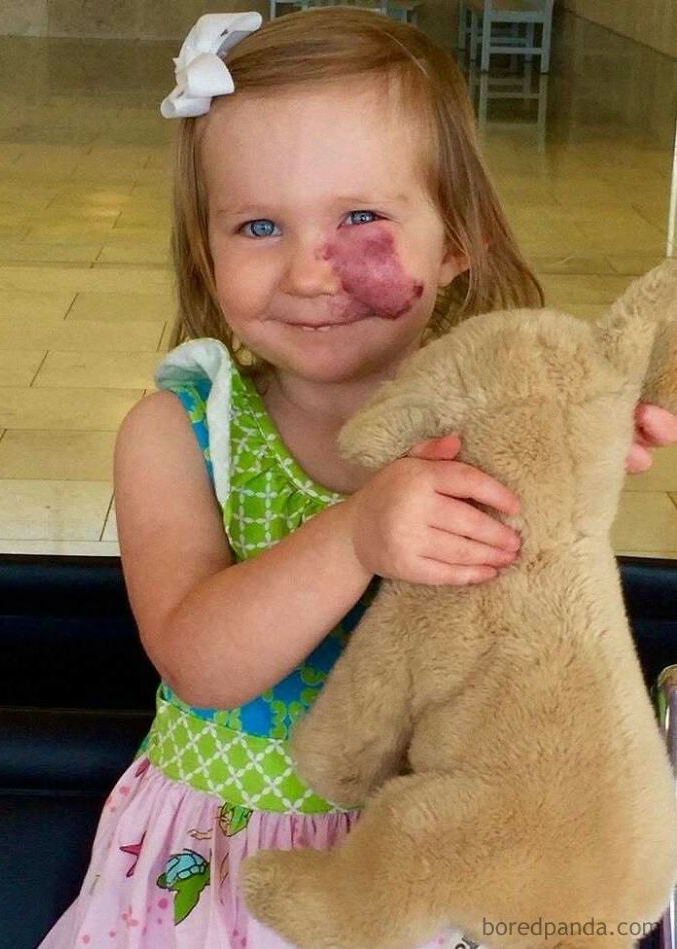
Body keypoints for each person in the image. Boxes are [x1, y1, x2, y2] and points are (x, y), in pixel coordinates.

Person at [39, 8, 677, 949]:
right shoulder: (179, 435)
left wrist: (574, 456)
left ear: (455, 239)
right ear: (206, 253)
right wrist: (354, 533)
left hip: (431, 861)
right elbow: (198, 660)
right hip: (228, 873)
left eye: (362, 218)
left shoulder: (490, 427)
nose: (311, 271)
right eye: (259, 225)